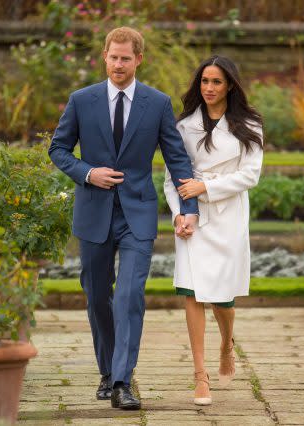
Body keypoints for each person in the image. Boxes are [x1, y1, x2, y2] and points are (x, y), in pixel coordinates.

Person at [49, 27, 199, 410]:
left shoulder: (158, 103)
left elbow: (177, 159)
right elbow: (59, 148)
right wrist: (88, 173)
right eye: (113, 57)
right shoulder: (81, 101)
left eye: (126, 58)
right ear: (104, 56)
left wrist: (189, 209)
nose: (119, 64)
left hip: (137, 214)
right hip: (93, 213)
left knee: (129, 296)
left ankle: (121, 382)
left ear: (138, 60)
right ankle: (107, 370)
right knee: (98, 295)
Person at [163, 55, 263, 406]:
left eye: (217, 82)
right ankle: (200, 375)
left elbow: (250, 175)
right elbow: (172, 177)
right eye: (204, 81)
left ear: (230, 85)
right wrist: (179, 214)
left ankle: (227, 343)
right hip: (194, 220)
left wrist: (206, 187)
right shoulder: (184, 125)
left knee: (222, 299)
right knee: (192, 293)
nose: (209, 88)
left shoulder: (249, 125)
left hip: (228, 215)